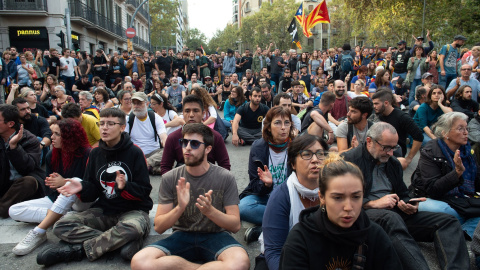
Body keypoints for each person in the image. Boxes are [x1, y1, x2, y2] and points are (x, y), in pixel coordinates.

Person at [342, 122, 470, 270]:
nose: (391, 153)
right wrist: (371, 203)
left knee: (448, 221)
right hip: (363, 215)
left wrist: (409, 203)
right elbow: (341, 198)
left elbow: (402, 193)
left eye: (394, 148)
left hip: (393, 212)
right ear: (369, 141)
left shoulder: (393, 163)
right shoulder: (349, 161)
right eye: (386, 148)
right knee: (390, 218)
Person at [37, 108, 153, 266]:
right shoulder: (95, 154)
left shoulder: (135, 152)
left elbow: (144, 192)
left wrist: (125, 186)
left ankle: (77, 251)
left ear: (122, 127)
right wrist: (82, 187)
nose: (104, 127)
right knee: (61, 226)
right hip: (104, 210)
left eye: (110, 124)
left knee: (132, 229)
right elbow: (93, 192)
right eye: (102, 123)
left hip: (133, 210)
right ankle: (117, 242)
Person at [131, 123, 249, 270]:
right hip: (182, 235)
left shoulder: (225, 177)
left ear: (208, 149)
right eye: (184, 142)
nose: (187, 148)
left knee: (241, 262)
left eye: (194, 144)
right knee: (139, 261)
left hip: (216, 235)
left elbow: (235, 225)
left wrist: (210, 211)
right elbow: (160, 227)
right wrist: (180, 208)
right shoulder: (170, 177)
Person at [279, 154, 401, 270]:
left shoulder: (375, 236)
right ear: (321, 197)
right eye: (338, 198)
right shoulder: (300, 240)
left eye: (356, 197)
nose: (348, 207)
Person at [10, 119, 91, 255]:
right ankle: (65, 217)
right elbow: (51, 187)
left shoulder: (88, 154)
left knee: (73, 183)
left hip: (82, 201)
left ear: (70, 136)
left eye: (57, 134)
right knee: (14, 210)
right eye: (52, 133)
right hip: (59, 200)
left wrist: (64, 182)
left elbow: (91, 187)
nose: (51, 137)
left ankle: (39, 232)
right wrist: (54, 184)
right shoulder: (51, 155)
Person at [260, 134, 328, 270]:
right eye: (307, 154)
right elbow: (274, 252)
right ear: (293, 163)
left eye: (320, 154)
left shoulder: (335, 191)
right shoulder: (281, 196)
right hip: (289, 258)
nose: (315, 160)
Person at [411, 111, 480, 237]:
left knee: (465, 212)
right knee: (439, 210)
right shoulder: (431, 151)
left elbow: (477, 181)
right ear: (445, 132)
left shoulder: (467, 151)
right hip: (435, 199)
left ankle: (461, 232)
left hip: (462, 199)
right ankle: (466, 225)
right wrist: (457, 173)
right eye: (460, 129)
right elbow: (433, 189)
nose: (466, 132)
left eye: (466, 128)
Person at [238, 107, 295, 242]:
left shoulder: (296, 146)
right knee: (243, 207)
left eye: (287, 123)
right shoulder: (258, 147)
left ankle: (263, 230)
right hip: (265, 196)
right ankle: (286, 224)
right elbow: (254, 183)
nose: (283, 128)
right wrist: (266, 184)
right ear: (268, 127)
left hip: (289, 197)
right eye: (277, 123)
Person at [160, 95, 230, 175]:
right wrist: (173, 184)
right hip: (181, 181)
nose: (191, 115)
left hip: (209, 181)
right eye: (187, 111)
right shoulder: (173, 138)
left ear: (203, 113)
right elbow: (165, 166)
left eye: (196, 111)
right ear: (182, 113)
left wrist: (216, 184)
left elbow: (225, 166)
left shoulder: (215, 137)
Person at [0, 104, 45, 218]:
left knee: (28, 181)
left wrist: (13, 147)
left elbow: (27, 168)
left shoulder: (29, 139)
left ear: (10, 124)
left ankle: (3, 208)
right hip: (3, 182)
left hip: (20, 184)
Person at [372, 90, 423, 169]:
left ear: (386, 103)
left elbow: (419, 136)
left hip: (395, 153)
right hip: (379, 150)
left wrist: (409, 158)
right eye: (373, 104)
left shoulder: (402, 117)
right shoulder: (379, 114)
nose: (374, 106)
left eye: (376, 104)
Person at [126, 92, 167, 174]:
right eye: (134, 103)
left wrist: (167, 148)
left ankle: (143, 165)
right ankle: (150, 168)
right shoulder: (127, 119)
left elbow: (164, 137)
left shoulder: (155, 118)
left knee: (166, 151)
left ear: (147, 104)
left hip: (154, 153)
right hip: (136, 153)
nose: (136, 106)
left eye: (139, 103)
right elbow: (123, 139)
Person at [12, 98, 51, 162]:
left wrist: (40, 145)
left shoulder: (39, 119)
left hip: (39, 150)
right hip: (20, 151)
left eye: (28, 108)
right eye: (23, 109)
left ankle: (35, 169)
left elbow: (48, 136)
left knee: (38, 139)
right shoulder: (12, 123)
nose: (27, 111)